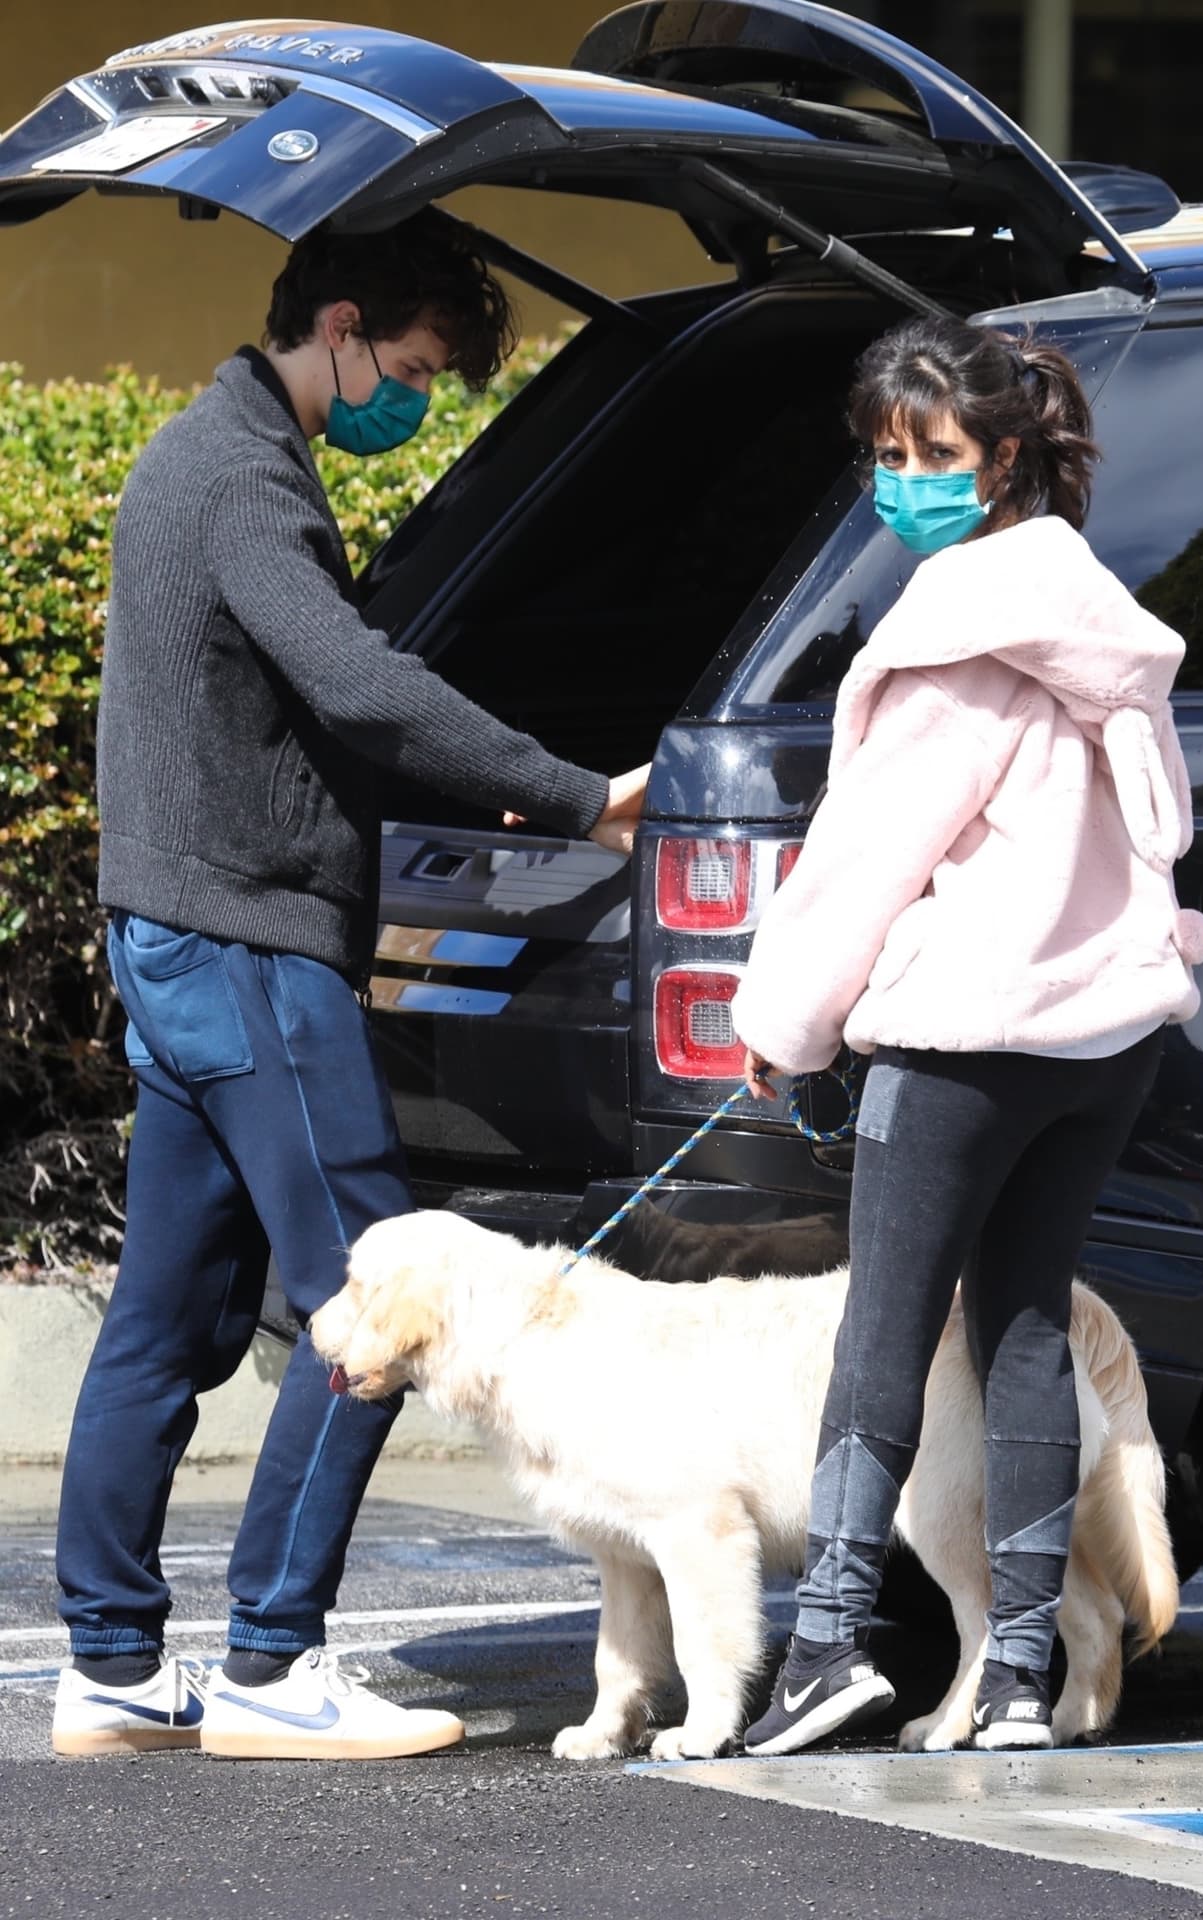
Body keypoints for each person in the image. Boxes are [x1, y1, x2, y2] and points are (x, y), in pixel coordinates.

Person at [51, 209, 649, 1761]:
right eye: (416, 366)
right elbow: (363, 688)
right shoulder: (245, 475)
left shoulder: (206, 452)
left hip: (181, 942)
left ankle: (112, 1667)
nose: (416, 401)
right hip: (248, 944)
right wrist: (577, 795)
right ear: (338, 324)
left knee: (167, 1321)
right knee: (375, 1294)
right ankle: (270, 1661)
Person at [731, 313, 1203, 1757]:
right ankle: (1012, 1676)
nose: (904, 481)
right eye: (885, 454)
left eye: (930, 454)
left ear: (1003, 456)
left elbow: (865, 860)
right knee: (1021, 1330)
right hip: (1102, 1037)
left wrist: (785, 1026)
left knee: (880, 1339)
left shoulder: (952, 636)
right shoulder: (1103, 624)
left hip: (963, 1038)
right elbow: (1159, 829)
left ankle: (826, 1649)